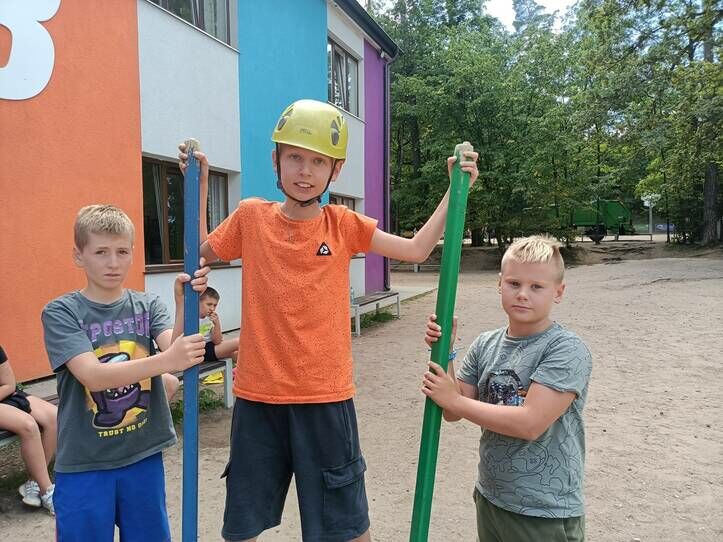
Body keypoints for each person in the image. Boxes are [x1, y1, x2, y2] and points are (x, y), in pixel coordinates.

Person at [179, 98, 479, 542]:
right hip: (258, 397)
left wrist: (455, 191)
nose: (304, 171)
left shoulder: (342, 224)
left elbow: (416, 249)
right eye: (294, 158)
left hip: (324, 395)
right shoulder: (251, 217)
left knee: (347, 527)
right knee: (242, 526)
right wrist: (199, 184)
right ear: (276, 161)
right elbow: (199, 253)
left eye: (318, 161)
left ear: (334, 171)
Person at [40, 204, 208, 542]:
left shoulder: (147, 305)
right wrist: (168, 361)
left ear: (133, 253)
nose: (113, 263)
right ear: (79, 256)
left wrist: (182, 305)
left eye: (121, 252)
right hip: (85, 464)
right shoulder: (61, 312)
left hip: (142, 456)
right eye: (101, 252)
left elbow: (174, 348)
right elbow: (92, 375)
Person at [422, 235, 593, 542]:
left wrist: (454, 401)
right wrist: (446, 352)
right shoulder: (485, 344)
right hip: (492, 497)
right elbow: (452, 410)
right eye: (514, 283)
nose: (523, 294)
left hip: (544, 510)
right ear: (499, 284)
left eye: (536, 286)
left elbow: (530, 423)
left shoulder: (566, 349)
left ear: (558, 292)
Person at [0, 344, 57, 514]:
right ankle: (47, 490)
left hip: (5, 394)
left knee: (54, 417)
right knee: (28, 425)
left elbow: (8, 384)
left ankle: (33, 483)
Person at [196, 287, 238, 362]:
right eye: (209, 304)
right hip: (202, 350)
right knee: (239, 341)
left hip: (212, 346)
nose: (212, 308)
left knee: (236, 354)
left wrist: (216, 324)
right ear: (197, 302)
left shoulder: (210, 318)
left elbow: (217, 341)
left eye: (215, 305)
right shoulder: (191, 319)